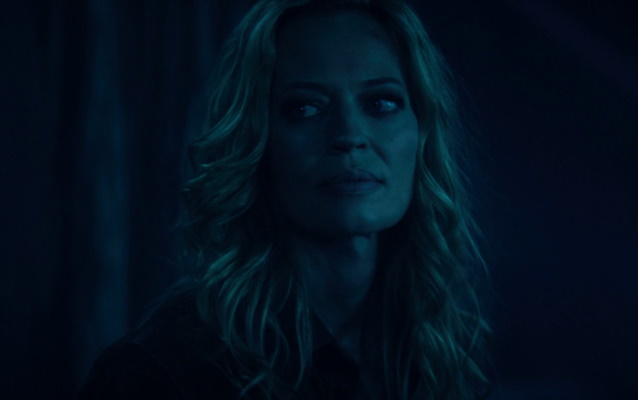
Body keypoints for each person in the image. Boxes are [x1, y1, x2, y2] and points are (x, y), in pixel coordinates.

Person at [79, 0, 491, 399]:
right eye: (305, 109)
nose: (349, 135)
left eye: (381, 103)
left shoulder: (434, 353)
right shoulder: (161, 373)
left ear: (421, 129)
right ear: (255, 140)